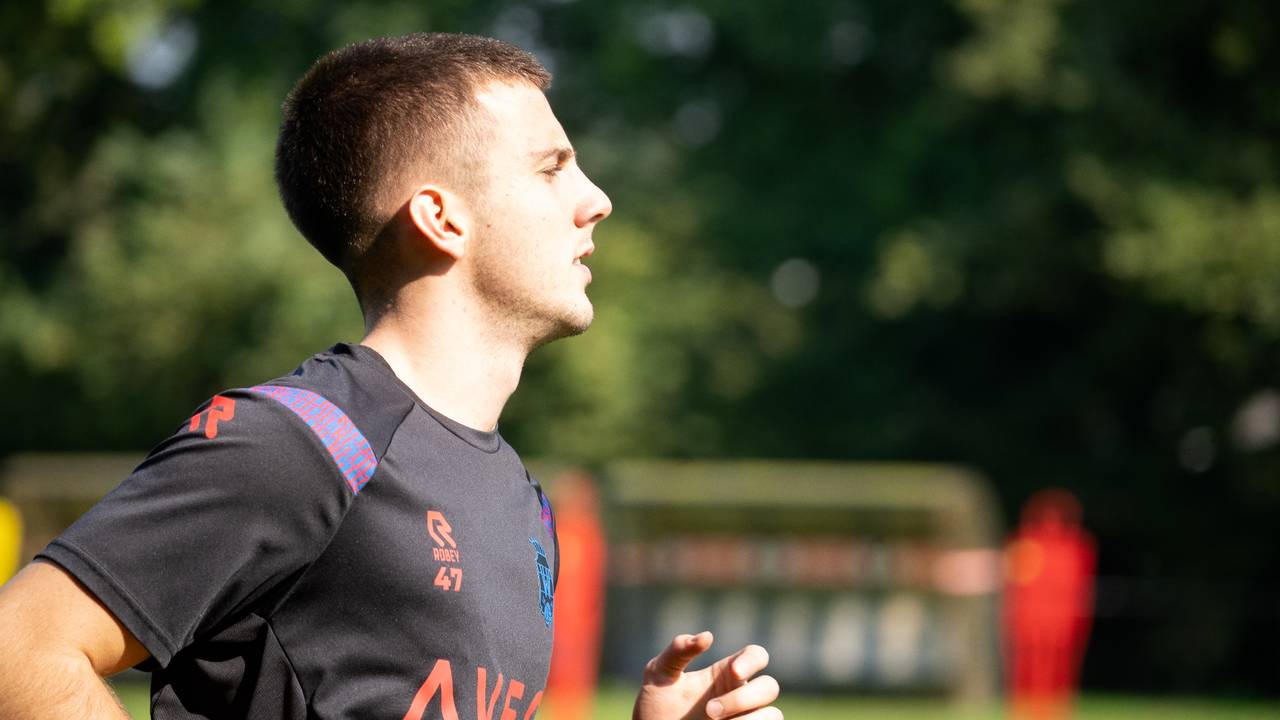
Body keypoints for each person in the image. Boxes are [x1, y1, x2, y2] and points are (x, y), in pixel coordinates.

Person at [0, 33, 782, 720]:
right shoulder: (300, 443)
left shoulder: (523, 503)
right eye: (552, 169)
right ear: (441, 219)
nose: (597, 200)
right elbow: (19, 654)